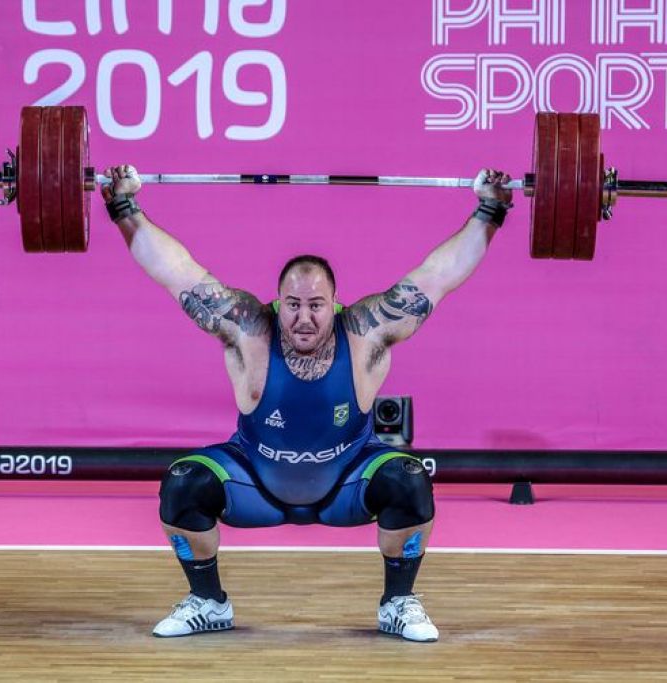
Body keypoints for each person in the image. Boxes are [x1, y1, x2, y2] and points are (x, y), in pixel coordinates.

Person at [101, 165, 512, 642]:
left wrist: (491, 209)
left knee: (409, 479)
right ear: (277, 301)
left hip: (347, 484)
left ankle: (398, 603)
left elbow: (437, 277)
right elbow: (177, 273)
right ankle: (208, 602)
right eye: (292, 304)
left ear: (335, 302)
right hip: (253, 481)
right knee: (183, 483)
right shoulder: (248, 329)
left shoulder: (365, 331)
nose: (303, 317)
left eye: (315, 304)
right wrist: (123, 206)